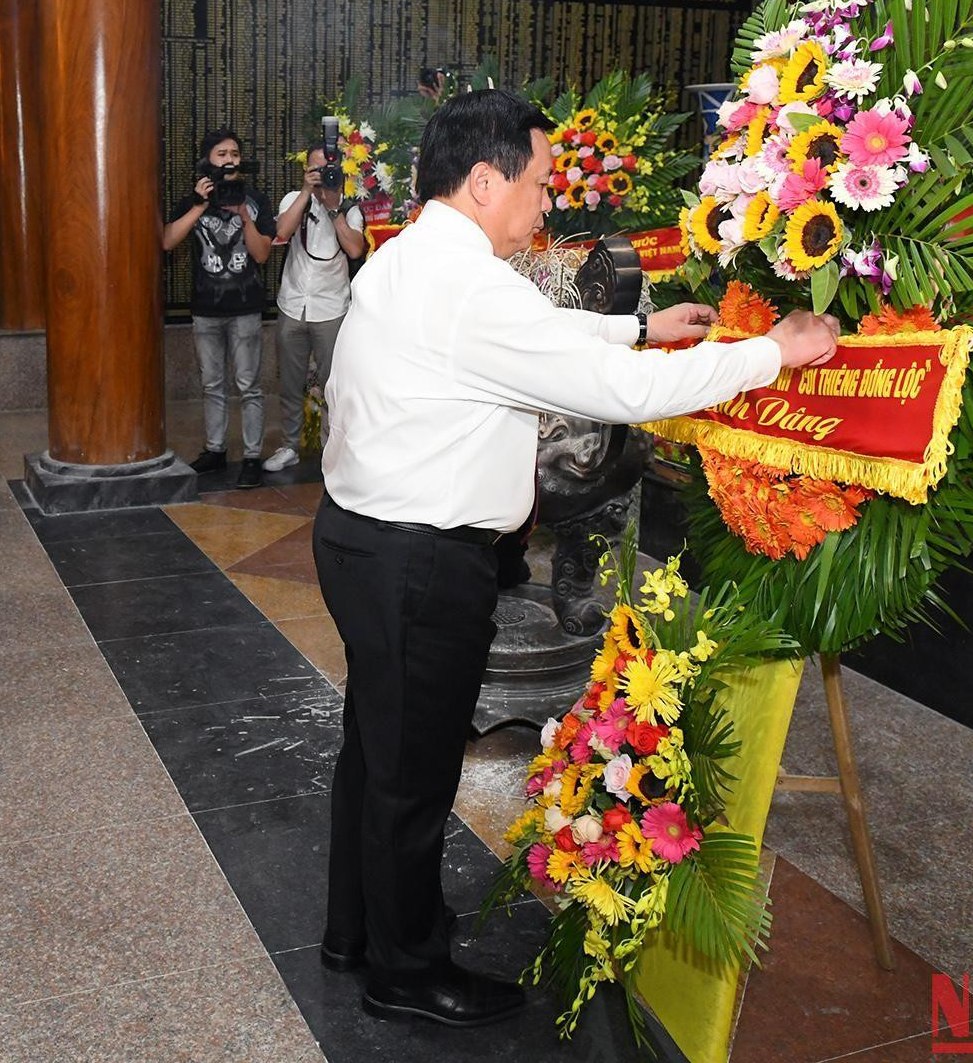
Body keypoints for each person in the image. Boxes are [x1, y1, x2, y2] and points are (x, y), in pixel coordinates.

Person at [313, 89, 839, 1028]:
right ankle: (406, 970)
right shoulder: (462, 284)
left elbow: (535, 337)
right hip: (420, 564)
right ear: (485, 181)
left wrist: (638, 324)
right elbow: (621, 393)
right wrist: (772, 352)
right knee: (415, 771)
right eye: (541, 182)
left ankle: (356, 932)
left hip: (367, 545)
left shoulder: (420, 257)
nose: (549, 204)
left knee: (376, 752)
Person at [162, 128, 277, 487]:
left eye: (235, 154)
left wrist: (243, 213)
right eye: (221, 154)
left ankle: (252, 457)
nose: (229, 159)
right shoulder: (194, 201)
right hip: (206, 309)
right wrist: (199, 205)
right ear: (207, 160)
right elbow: (167, 241)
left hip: (245, 307)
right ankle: (215, 450)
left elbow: (260, 253)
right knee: (212, 384)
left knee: (249, 385)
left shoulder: (255, 200)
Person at [263, 141, 366, 473]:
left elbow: (354, 250)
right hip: (293, 304)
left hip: (332, 307)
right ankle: (289, 446)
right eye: (316, 169)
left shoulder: (350, 208)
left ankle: (332, 447)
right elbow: (281, 231)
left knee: (333, 384)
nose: (323, 174)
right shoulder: (294, 200)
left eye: (328, 169)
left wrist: (333, 207)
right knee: (291, 383)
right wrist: (308, 193)